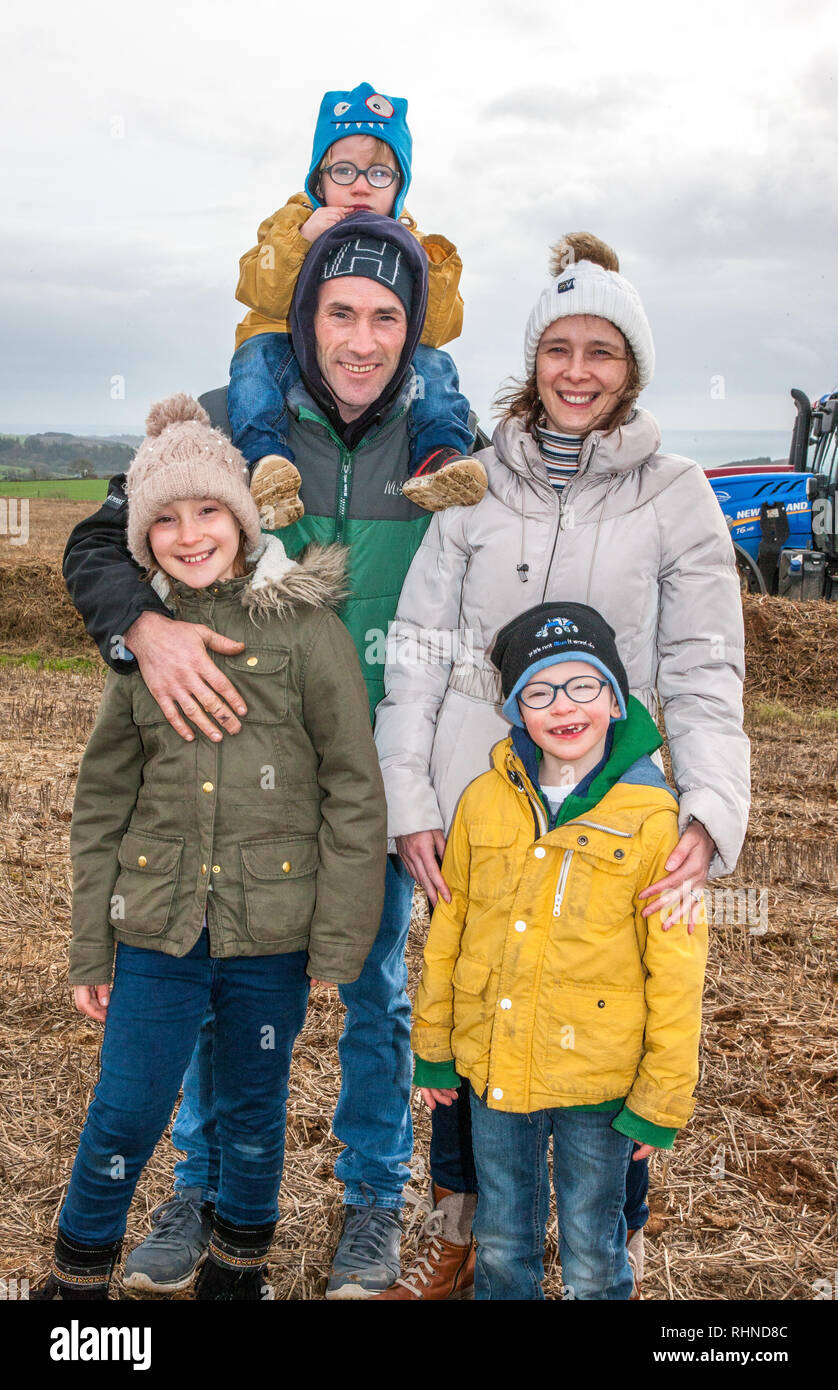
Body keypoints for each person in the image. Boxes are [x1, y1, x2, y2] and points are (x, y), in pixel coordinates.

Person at [61, 214, 450, 1298]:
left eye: (386, 317)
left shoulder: (440, 437)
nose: (362, 339)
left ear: (412, 329)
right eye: (340, 312)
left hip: (380, 766)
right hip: (238, 759)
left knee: (372, 988)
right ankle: (197, 1190)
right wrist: (145, 625)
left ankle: (374, 1200)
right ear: (304, 314)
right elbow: (100, 539)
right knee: (208, 972)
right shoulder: (236, 420)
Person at [372, 232, 750, 1299]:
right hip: (472, 789)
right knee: (475, 1003)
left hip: (611, 794)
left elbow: (702, 664)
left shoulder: (675, 494)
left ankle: (603, 1252)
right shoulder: (470, 484)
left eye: (604, 351)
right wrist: (412, 797)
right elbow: (418, 651)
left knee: (603, 1005)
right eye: (559, 348)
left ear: (631, 369)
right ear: (531, 359)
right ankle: (468, 1239)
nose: (578, 370)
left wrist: (708, 808)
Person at [35, 394, 386, 1301]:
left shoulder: (307, 630)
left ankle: (237, 1276)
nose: (190, 535)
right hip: (155, 927)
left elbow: (353, 785)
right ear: (143, 537)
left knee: (252, 1115)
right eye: (166, 520)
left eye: (208, 511)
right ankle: (76, 1285)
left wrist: (339, 940)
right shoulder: (139, 647)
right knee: (124, 1112)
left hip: (271, 931)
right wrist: (90, 941)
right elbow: (102, 798)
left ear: (242, 514)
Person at [412, 602, 709, 1300]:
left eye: (583, 685)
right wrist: (434, 1046)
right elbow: (448, 935)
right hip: (496, 1075)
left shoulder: (655, 818)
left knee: (592, 1246)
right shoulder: (483, 801)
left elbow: (677, 968)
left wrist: (662, 1097)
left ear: (614, 697)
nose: (563, 706)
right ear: (516, 708)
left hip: (599, 1088)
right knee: (505, 1240)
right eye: (539, 691)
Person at [229, 79, 486, 521]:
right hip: (283, 344)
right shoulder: (293, 221)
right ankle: (264, 461)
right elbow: (258, 291)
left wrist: (431, 266)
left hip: (392, 379)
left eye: (379, 174)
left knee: (436, 366)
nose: (361, 188)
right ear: (318, 178)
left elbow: (439, 330)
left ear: (399, 186)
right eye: (344, 171)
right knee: (253, 362)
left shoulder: (409, 240)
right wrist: (301, 239)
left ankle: (438, 456)